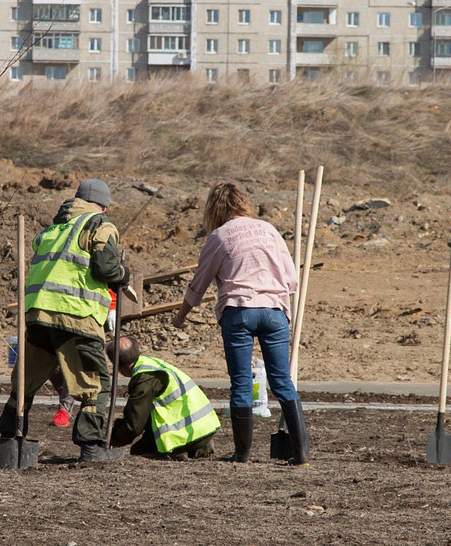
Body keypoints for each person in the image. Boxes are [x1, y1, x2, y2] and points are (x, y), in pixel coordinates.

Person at [171, 182, 308, 464]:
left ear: (215, 209)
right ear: (244, 203)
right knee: (283, 381)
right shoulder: (269, 230)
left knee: (242, 383)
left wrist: (181, 316)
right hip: (274, 312)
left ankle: (242, 454)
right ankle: (301, 453)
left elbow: (199, 284)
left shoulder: (219, 237)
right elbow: (292, 281)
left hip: (239, 311)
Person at [0, 178, 129, 462]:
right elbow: (106, 267)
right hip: (76, 314)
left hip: (38, 315)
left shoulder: (53, 229)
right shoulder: (99, 224)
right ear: (103, 205)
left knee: (25, 382)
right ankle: (91, 448)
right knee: (96, 383)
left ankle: (8, 441)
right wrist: (123, 274)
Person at [107, 336, 220, 459]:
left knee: (138, 452)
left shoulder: (145, 380)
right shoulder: (151, 364)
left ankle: (178, 452)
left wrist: (111, 440)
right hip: (205, 427)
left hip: (191, 435)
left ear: (117, 365)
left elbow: (134, 425)